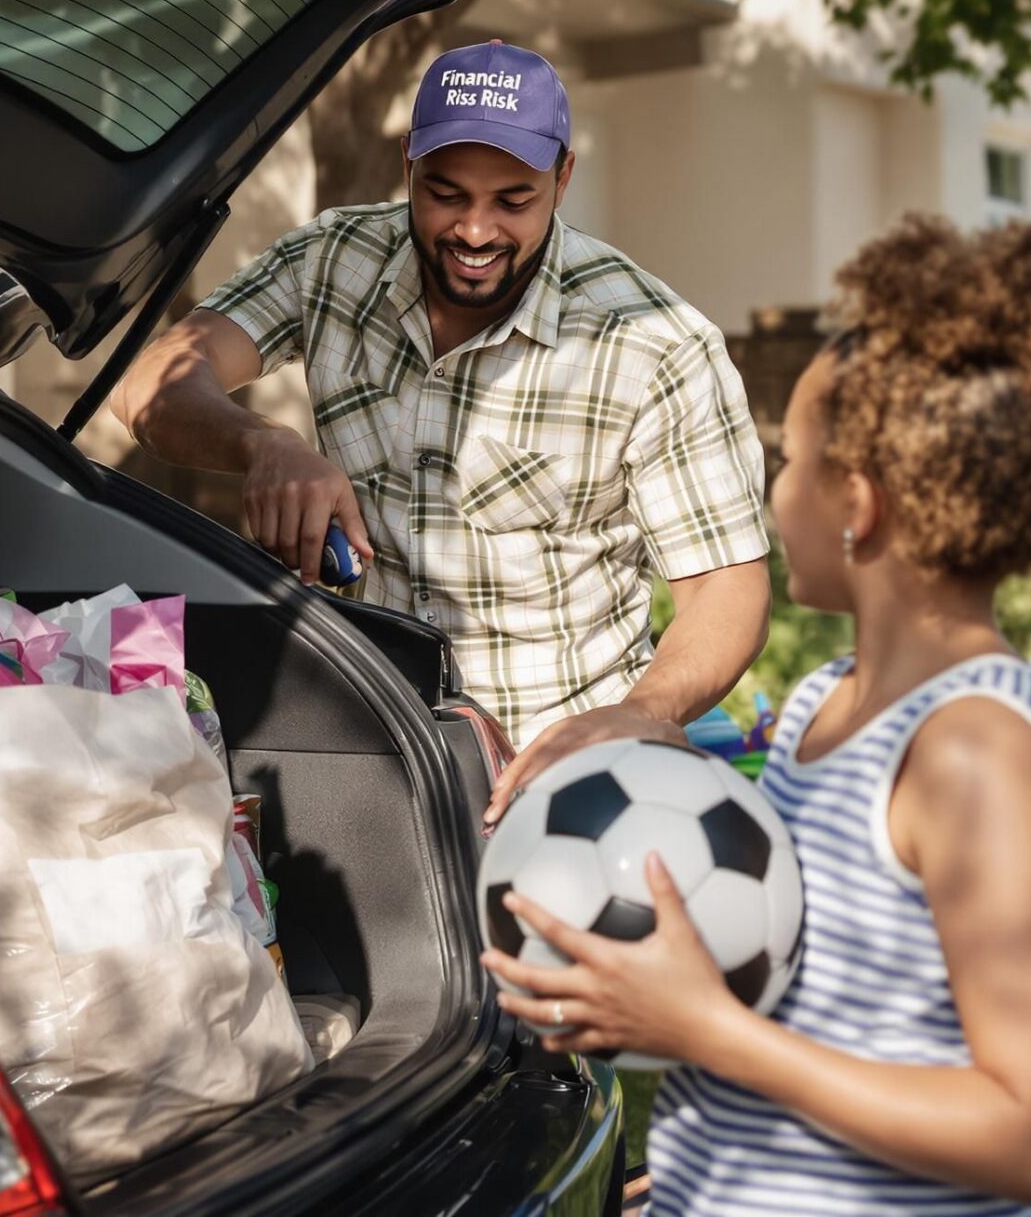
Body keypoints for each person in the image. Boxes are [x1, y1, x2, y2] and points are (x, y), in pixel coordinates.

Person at [486, 217, 1031, 1215]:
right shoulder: (831, 702)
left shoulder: (974, 750)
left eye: (787, 458)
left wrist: (711, 1033)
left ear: (856, 502)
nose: (771, 491)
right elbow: (817, 997)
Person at [111, 41, 770, 791]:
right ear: (408, 167)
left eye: (513, 200)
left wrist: (639, 713)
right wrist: (261, 444)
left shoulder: (653, 340)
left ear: (563, 177)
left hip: (559, 771)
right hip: (370, 748)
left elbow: (728, 590)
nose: (476, 232)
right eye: (447, 194)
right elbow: (150, 384)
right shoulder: (333, 259)